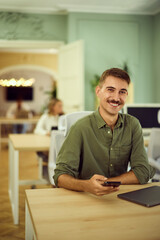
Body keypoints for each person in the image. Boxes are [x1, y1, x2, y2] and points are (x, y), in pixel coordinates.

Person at [54, 68, 155, 196]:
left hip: (120, 196)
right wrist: (87, 186)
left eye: (122, 92)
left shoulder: (133, 125)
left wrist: (107, 183)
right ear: (98, 91)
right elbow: (60, 176)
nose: (116, 98)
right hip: (86, 197)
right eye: (110, 90)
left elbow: (143, 171)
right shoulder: (80, 128)